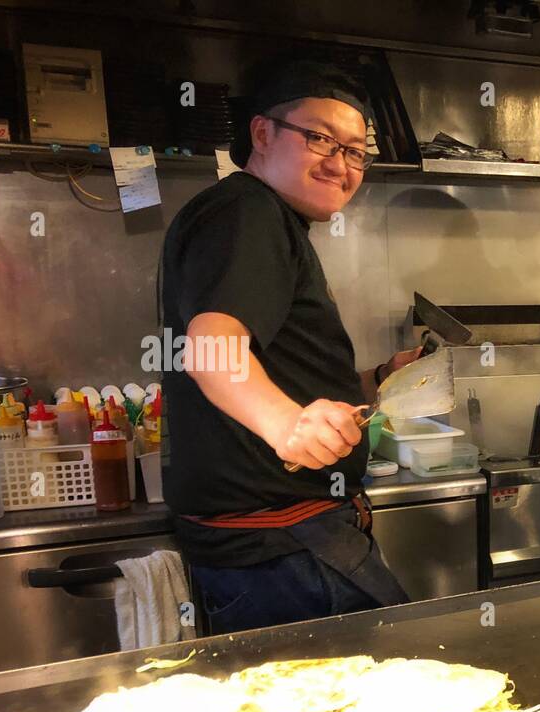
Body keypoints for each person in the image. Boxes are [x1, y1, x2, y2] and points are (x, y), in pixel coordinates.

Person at [160, 59, 419, 635]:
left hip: (279, 550)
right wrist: (288, 427)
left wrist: (377, 378)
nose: (340, 164)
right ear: (261, 133)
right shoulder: (248, 213)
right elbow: (211, 351)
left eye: (355, 152)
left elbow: (277, 366)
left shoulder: (254, 218)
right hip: (285, 554)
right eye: (320, 138)